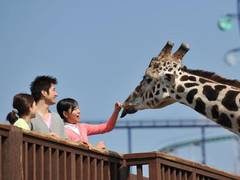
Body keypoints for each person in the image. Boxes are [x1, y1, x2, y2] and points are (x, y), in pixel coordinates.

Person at [56, 98, 122, 148]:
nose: (79, 111)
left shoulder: (83, 127)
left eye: (78, 108)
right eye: (74, 109)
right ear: (65, 114)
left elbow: (107, 127)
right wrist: (96, 148)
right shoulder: (61, 131)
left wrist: (116, 111)